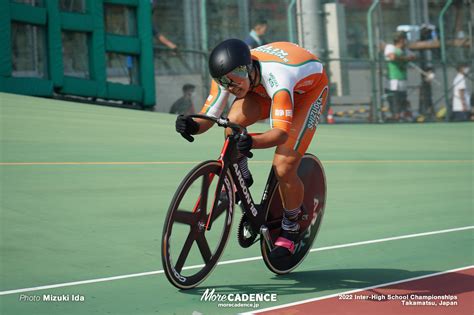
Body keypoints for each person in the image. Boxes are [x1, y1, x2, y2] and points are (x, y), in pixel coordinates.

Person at [175, 39, 329, 257]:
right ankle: (242, 175)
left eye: (236, 80)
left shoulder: (279, 77)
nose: (231, 86)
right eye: (225, 82)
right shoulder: (228, 75)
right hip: (264, 89)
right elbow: (209, 117)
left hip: (306, 93)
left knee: (284, 167)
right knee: (232, 126)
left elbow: (280, 133)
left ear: (248, 68)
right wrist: (191, 125)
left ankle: (291, 225)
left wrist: (253, 141)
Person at [384, 31, 416, 121]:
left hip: (403, 79)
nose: (406, 41)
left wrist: (409, 57)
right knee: (394, 98)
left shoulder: (405, 50)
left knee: (403, 98)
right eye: (405, 39)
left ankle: (403, 115)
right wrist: (405, 58)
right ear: (400, 40)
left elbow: (413, 56)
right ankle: (396, 115)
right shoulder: (390, 47)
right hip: (393, 79)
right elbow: (392, 57)